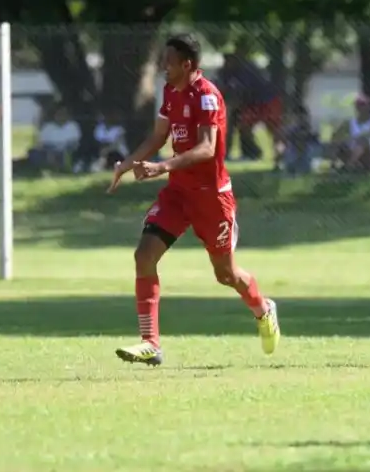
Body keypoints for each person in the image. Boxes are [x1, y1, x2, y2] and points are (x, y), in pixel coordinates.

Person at [107, 33, 280, 366]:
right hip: (178, 194)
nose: (163, 68)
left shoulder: (207, 96)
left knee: (226, 274)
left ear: (187, 64)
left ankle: (263, 307)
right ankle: (150, 343)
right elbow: (159, 135)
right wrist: (128, 164)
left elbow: (206, 148)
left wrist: (161, 166)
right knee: (144, 255)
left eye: (168, 62)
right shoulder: (170, 91)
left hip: (212, 199)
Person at [330, 95, 370, 171]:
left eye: (364, 105)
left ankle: (349, 166)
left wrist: (355, 139)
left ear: (369, 107)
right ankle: (333, 167)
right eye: (359, 106)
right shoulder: (350, 123)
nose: (362, 108)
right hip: (353, 150)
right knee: (337, 142)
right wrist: (340, 138)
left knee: (363, 140)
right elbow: (336, 135)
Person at [32, 104, 81, 172]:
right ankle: (49, 169)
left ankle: (65, 168)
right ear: (54, 115)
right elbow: (42, 143)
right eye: (59, 114)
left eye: (64, 114)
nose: (61, 116)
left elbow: (75, 141)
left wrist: (62, 147)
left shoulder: (73, 126)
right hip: (50, 149)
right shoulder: (47, 127)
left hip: (67, 150)